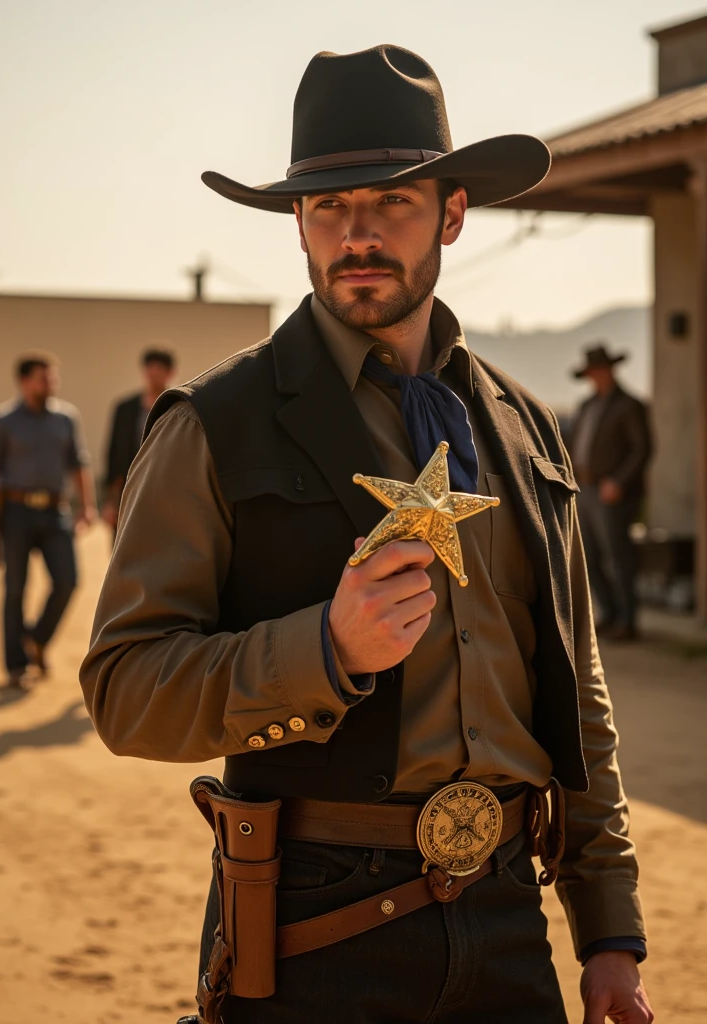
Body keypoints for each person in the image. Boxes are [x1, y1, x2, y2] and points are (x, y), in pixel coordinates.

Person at [81, 46, 653, 1024]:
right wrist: (323, 650)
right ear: (298, 223)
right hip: (314, 928)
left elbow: (577, 688)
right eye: (329, 208)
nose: (358, 234)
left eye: (392, 202)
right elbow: (127, 692)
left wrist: (608, 928)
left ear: (454, 212)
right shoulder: (214, 423)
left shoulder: (526, 428)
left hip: (510, 919)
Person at [0, 352, 95, 687]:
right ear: (24, 381)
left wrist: (87, 507)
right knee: (15, 589)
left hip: (56, 511)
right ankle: (16, 665)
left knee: (68, 581)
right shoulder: (2, 421)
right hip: (15, 512)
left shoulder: (65, 418)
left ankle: (37, 639)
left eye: (53, 377)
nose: (51, 383)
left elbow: (79, 463)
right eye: (44, 378)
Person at [569, 344, 652, 641]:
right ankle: (611, 613)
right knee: (589, 555)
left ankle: (628, 621)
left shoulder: (629, 405)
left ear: (610, 370)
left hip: (613, 492)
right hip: (586, 489)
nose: (596, 376)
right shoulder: (587, 405)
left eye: (599, 370)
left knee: (619, 556)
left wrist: (619, 481)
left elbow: (641, 449)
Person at [101, 347, 177, 530]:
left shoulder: (178, 406)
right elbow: (114, 453)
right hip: (130, 487)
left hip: (168, 488)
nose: (153, 374)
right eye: (150, 368)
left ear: (170, 373)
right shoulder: (126, 408)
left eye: (159, 369)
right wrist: (111, 500)